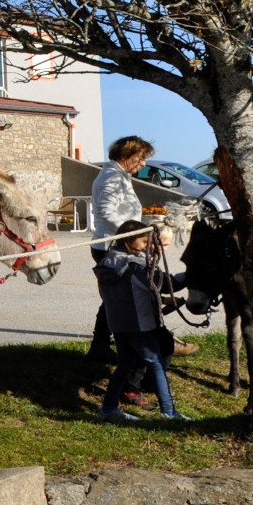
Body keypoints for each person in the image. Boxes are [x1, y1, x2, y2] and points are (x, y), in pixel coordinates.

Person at [94, 220, 188, 421]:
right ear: (129, 240)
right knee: (155, 364)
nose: (148, 246)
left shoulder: (107, 262)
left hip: (118, 326)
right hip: (140, 326)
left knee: (125, 365)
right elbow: (166, 283)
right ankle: (169, 412)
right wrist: (191, 275)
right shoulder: (135, 265)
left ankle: (109, 409)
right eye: (144, 241)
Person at [88, 135, 153, 362]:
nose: (143, 163)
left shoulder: (117, 175)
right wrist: (134, 235)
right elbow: (107, 212)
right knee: (117, 299)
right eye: (141, 158)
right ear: (127, 156)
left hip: (114, 244)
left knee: (113, 299)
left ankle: (101, 345)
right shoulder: (112, 177)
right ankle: (105, 345)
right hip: (111, 246)